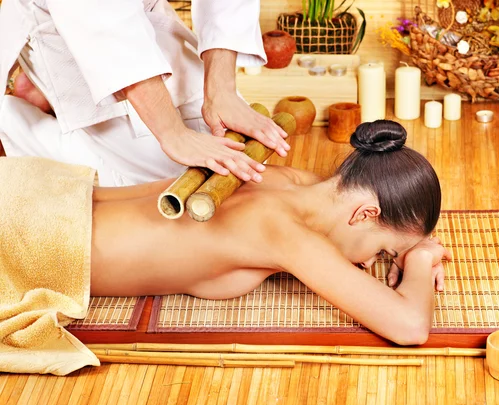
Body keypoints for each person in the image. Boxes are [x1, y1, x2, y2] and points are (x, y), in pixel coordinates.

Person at [90, 120, 452, 345]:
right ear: (365, 214)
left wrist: (410, 239)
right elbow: (410, 327)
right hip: (50, 244)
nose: (371, 262)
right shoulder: (285, 233)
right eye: (383, 251)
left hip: (70, 197)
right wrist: (419, 259)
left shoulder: (289, 180)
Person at [0, 0, 289, 187]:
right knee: (155, 184)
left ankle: (35, 87)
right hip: (73, 15)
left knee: (238, 163)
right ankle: (14, 118)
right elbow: (101, 17)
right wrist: (172, 133)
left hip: (140, 11)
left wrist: (221, 91)